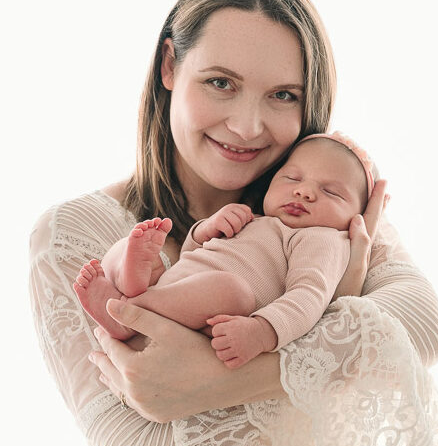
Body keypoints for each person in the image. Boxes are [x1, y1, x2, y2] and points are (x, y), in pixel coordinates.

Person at [28, 0, 438, 446]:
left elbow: (426, 328)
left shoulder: (320, 200)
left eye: (283, 94)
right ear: (170, 65)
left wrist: (211, 379)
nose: (249, 124)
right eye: (220, 82)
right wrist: (336, 341)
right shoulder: (78, 234)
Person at [74, 132, 375, 370]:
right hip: (178, 287)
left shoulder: (322, 239)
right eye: (292, 178)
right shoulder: (258, 220)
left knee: (232, 291)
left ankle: (128, 310)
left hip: (217, 315)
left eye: (331, 192)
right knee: (126, 246)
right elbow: (195, 253)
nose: (304, 191)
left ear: (356, 216)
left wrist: (262, 331)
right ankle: (131, 285)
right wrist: (206, 230)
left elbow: (309, 296)